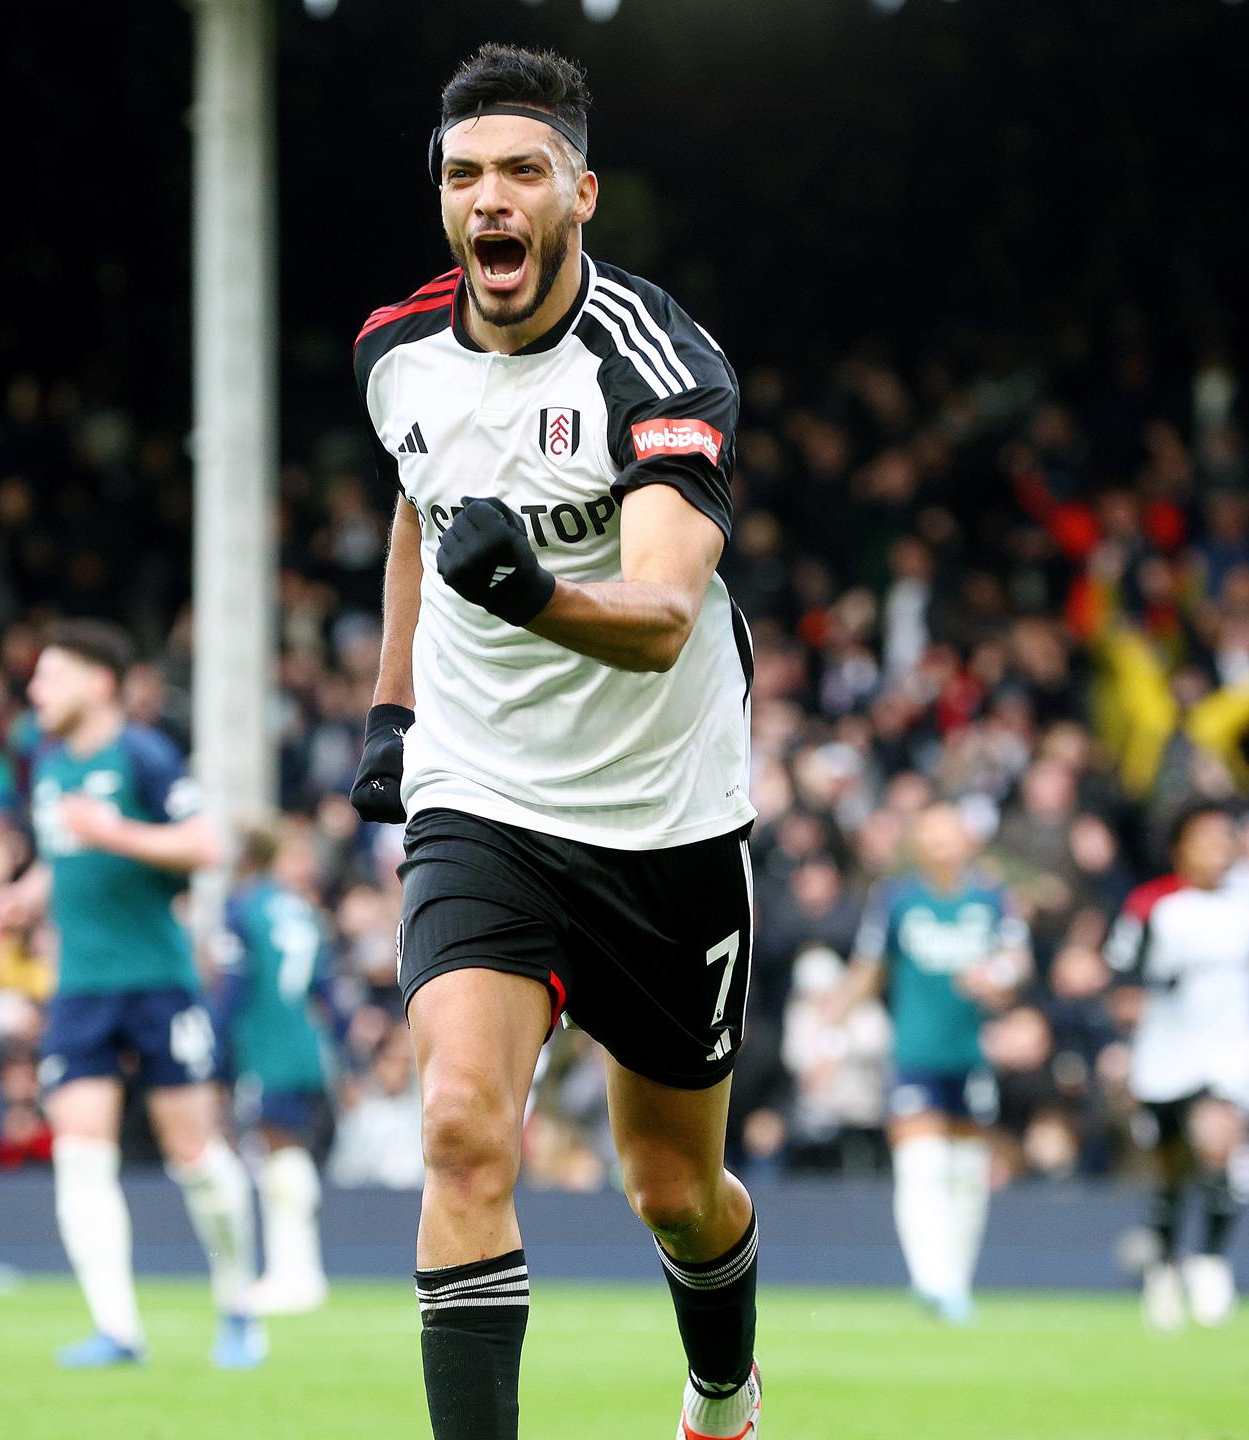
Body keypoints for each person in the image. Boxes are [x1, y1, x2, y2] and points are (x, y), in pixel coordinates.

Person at [349, 45, 761, 1440]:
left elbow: (656, 617)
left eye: (522, 171)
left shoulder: (661, 363)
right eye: (464, 175)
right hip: (483, 796)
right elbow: (418, 509)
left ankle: (721, 1385)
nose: (490, 199)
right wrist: (395, 709)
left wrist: (531, 589)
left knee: (673, 1191)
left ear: (579, 193)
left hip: (664, 815)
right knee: (464, 1128)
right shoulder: (393, 354)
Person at [0, 620, 259, 1371]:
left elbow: (206, 846)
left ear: (97, 683)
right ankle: (117, 1330)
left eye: (50, 676)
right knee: (79, 1154)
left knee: (193, 1152)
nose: (35, 691)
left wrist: (115, 833)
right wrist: (28, 894)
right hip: (79, 988)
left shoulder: (143, 753)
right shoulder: (47, 766)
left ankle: (238, 1306)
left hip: (157, 982)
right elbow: (64, 854)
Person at [830, 803, 1027, 1323]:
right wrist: (834, 1025)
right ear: (918, 844)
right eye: (932, 836)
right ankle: (929, 1281)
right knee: (921, 1167)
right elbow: (870, 966)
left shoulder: (992, 899)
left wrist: (999, 978)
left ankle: (956, 1285)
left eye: (951, 835)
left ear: (968, 841)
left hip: (973, 1053)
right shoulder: (897, 900)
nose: (942, 846)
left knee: (966, 1173)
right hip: (915, 1052)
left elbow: (1017, 961)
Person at [1106, 803, 1249, 1333]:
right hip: (1166, 1053)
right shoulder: (1155, 905)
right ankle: (1164, 1268)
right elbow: (1120, 971)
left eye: (1226, 840)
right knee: (1172, 1169)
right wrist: (1131, 1002)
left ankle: (1212, 1260)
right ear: (1180, 849)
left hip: (1228, 1052)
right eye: (1205, 841)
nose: (1218, 851)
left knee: (1220, 1141)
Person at [218, 821, 340, 1315]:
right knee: (291, 1152)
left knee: (278, 1153)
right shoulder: (303, 910)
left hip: (267, 1045)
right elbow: (327, 992)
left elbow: (233, 987)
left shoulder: (244, 907)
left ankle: (295, 1275)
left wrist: (217, 1050)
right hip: (308, 1046)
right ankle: (300, 1272)